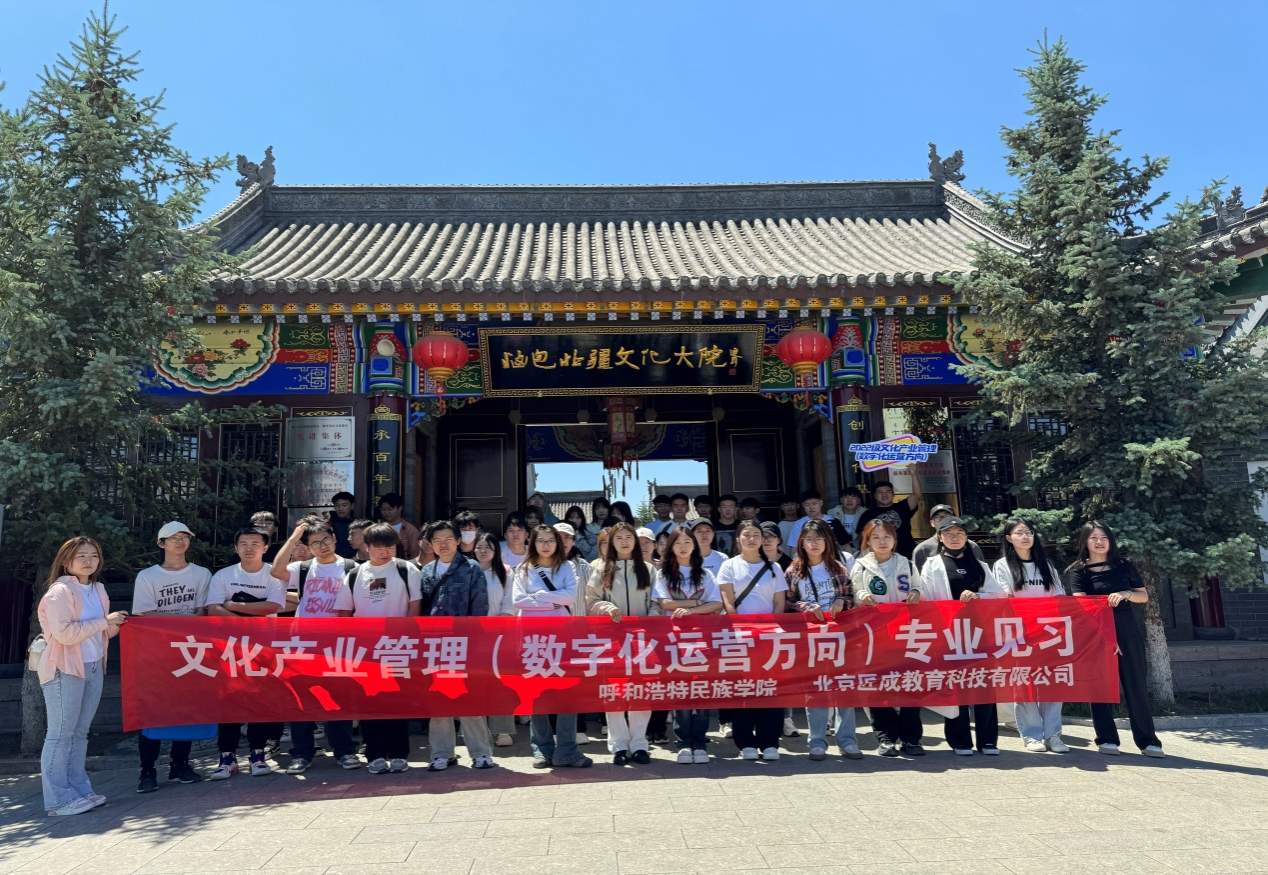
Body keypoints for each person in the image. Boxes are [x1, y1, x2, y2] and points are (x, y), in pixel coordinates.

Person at [37, 537, 128, 816]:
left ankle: (79, 791)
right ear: (66, 561)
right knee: (60, 734)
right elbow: (65, 634)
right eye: (81, 556)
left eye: (93, 555)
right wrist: (104, 622)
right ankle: (58, 800)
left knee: (79, 733)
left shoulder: (98, 589)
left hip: (93, 666)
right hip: (64, 668)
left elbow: (100, 631)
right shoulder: (60, 592)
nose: (88, 560)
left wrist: (116, 624)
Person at [269, 518, 362, 774]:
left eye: (326, 540)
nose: (322, 546)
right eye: (315, 543)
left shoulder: (352, 567)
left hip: (338, 643)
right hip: (304, 642)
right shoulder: (303, 568)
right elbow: (276, 571)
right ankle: (302, 753)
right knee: (303, 699)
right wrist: (294, 536)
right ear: (308, 547)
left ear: (335, 539)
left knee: (339, 699)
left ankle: (344, 750)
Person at [1067, 521, 1165, 758]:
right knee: (1100, 685)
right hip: (1097, 632)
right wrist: (1107, 635)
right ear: (1085, 542)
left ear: (1111, 541)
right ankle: (1107, 738)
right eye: (1093, 537)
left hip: (1126, 630)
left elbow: (1143, 596)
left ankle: (1148, 741)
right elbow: (1081, 605)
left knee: (1136, 684)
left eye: (1104, 537)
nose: (1099, 542)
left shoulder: (1124, 566)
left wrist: (1126, 594)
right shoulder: (1078, 571)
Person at [335, 524, 422, 773]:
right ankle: (375, 755)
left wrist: (405, 637)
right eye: (379, 547)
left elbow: (415, 605)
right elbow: (344, 611)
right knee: (370, 703)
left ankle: (399, 754)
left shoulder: (406, 569)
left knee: (397, 703)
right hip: (366, 650)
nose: (385, 552)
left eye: (390, 547)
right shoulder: (355, 574)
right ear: (366, 547)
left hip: (398, 647)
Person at [131, 521, 211, 792]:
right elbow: (146, 614)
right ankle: (147, 769)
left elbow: (202, 612)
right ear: (160, 543)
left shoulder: (201, 573)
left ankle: (180, 764)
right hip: (156, 651)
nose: (179, 541)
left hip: (190, 650)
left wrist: (176, 620)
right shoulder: (147, 576)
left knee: (185, 707)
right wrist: (185, 620)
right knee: (152, 710)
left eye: (184, 537)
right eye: (173, 537)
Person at [203, 527, 288, 780]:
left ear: (265, 548)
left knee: (258, 700)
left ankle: (257, 754)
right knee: (229, 701)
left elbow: (274, 605)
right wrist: (248, 620)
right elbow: (213, 609)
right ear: (236, 548)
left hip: (264, 647)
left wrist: (233, 605)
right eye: (243, 543)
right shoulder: (223, 575)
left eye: (255, 543)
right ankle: (227, 757)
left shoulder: (273, 574)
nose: (249, 548)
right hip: (229, 647)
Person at [920, 516, 1007, 756]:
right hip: (950, 633)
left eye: (959, 533)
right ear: (940, 537)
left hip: (979, 633)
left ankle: (988, 741)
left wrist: (979, 596)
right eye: (948, 534)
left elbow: (999, 596)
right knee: (955, 686)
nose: (954, 538)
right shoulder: (932, 565)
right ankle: (960, 741)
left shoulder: (979, 565)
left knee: (983, 684)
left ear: (966, 537)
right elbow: (927, 599)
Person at [512, 525, 591, 769]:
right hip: (532, 639)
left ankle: (567, 750)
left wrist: (537, 597)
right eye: (540, 540)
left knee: (567, 694)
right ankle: (542, 750)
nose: (545, 545)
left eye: (550, 540)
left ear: (558, 543)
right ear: (533, 543)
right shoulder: (524, 569)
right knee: (537, 695)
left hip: (562, 637)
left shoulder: (566, 567)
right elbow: (518, 600)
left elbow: (570, 597)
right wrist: (552, 602)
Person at [419, 521, 494, 771]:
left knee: (468, 699)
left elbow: (480, 607)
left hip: (464, 644)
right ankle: (442, 753)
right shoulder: (426, 571)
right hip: (434, 644)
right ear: (431, 544)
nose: (443, 544)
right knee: (438, 700)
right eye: (437, 540)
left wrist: (474, 643)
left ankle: (481, 753)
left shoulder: (471, 567)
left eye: (448, 539)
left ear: (458, 540)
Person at [785, 519, 861, 760]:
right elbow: (787, 602)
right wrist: (806, 606)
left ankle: (847, 740)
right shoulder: (793, 570)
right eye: (809, 539)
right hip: (811, 639)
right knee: (816, 689)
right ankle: (817, 741)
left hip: (840, 636)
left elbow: (849, 595)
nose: (814, 543)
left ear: (827, 542)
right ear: (801, 543)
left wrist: (841, 601)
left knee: (844, 688)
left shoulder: (838, 568)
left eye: (819, 539)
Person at [993, 519, 1070, 754]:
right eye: (1019, 533)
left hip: (1048, 634)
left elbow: (1059, 595)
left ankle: (1053, 735)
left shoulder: (1045, 564)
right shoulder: (1003, 565)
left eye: (1029, 532)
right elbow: (1004, 598)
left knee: (1051, 683)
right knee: (1024, 684)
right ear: (1009, 538)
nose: (1025, 536)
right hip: (1020, 634)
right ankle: (1031, 735)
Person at [586, 522, 660, 764]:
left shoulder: (647, 569)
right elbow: (590, 601)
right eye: (619, 538)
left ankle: (639, 744)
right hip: (612, 639)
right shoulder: (601, 569)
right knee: (615, 693)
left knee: (641, 692)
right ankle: (618, 745)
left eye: (629, 537)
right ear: (612, 543)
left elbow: (656, 600)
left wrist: (652, 617)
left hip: (642, 639)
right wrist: (606, 607)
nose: (625, 542)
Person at [851, 520, 926, 757]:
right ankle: (885, 738)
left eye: (887, 537)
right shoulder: (861, 566)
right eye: (876, 537)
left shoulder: (907, 563)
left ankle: (911, 739)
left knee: (909, 684)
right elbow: (851, 592)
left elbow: (920, 587)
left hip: (905, 631)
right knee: (878, 686)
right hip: (875, 633)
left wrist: (916, 592)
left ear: (895, 539)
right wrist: (861, 595)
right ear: (867, 541)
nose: (882, 542)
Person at [716, 520, 788, 760]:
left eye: (756, 534)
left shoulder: (774, 568)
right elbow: (728, 602)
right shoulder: (729, 566)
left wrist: (769, 631)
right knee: (743, 690)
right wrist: (741, 630)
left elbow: (779, 603)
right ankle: (745, 742)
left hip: (769, 637)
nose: (751, 539)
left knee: (770, 689)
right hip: (740, 637)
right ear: (738, 538)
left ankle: (769, 742)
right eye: (746, 534)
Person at [652, 528, 724, 764]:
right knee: (681, 692)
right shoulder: (663, 574)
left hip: (702, 640)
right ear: (671, 547)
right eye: (678, 542)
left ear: (694, 545)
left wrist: (691, 611)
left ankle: (700, 742)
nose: (683, 547)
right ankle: (683, 742)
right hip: (674, 641)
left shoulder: (705, 574)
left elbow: (716, 603)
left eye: (687, 542)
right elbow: (664, 603)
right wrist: (696, 602)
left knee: (702, 693)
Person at [473, 531, 517, 747]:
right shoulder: (468, 571)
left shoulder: (506, 572)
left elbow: (509, 603)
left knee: (500, 683)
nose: (483, 551)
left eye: (487, 547)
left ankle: (502, 730)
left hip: (499, 635)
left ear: (496, 550)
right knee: (476, 684)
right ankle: (477, 732)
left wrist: (496, 627)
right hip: (473, 636)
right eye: (479, 547)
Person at [857, 477, 924, 558]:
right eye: (880, 492)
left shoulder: (902, 507)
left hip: (906, 553)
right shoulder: (868, 514)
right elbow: (864, 536)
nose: (884, 495)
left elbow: (917, 495)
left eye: (888, 491)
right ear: (875, 496)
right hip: (881, 556)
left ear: (893, 494)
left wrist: (913, 474)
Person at [911, 504, 985, 574]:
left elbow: (983, 572)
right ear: (932, 523)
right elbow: (917, 578)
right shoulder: (922, 549)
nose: (943, 519)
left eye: (947, 516)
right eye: (938, 517)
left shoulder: (971, 546)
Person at [787, 489, 852, 551]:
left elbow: (845, 545)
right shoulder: (799, 524)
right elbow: (795, 549)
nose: (811, 507)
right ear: (802, 506)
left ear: (821, 503)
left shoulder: (833, 521)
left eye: (814, 503)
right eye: (807, 505)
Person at [377, 493, 420, 561]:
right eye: (383, 509)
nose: (386, 512)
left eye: (390, 509)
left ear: (400, 508)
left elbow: (415, 555)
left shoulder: (410, 530)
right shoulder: (377, 529)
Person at [555, 522, 591, 593]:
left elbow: (592, 593)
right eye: (558, 537)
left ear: (573, 541)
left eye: (567, 537)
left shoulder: (583, 566)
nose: (563, 541)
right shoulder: (544, 565)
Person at [330, 491, 357, 558]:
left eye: (344, 505)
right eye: (337, 505)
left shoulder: (358, 525)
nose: (340, 509)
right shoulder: (328, 525)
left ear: (352, 506)